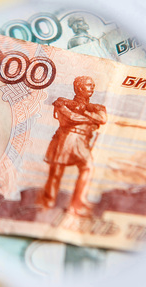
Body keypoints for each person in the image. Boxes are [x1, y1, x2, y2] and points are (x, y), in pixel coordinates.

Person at [39, 76, 107, 217]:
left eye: (93, 85)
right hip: (67, 137)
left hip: (83, 140)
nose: (92, 88)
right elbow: (72, 117)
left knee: (87, 167)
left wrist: (85, 112)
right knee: (57, 170)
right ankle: (49, 202)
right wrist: (89, 118)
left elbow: (102, 119)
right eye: (89, 85)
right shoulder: (62, 102)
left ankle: (78, 202)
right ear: (79, 88)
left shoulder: (96, 107)